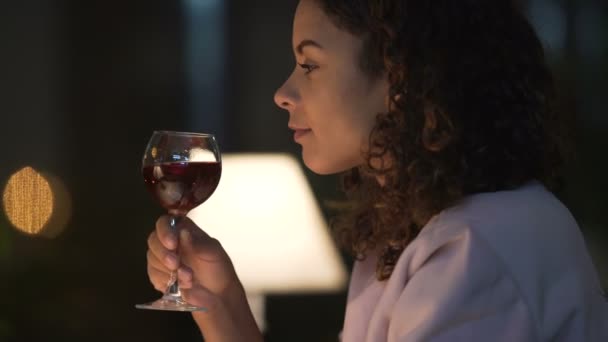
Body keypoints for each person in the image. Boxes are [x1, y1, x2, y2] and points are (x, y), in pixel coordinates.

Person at [145, 0, 608, 341]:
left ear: (401, 75)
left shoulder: (480, 246)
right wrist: (222, 306)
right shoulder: (410, 237)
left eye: (310, 64)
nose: (282, 92)